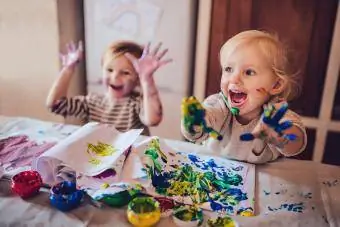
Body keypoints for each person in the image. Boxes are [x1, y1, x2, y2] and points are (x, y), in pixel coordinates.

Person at [181, 30, 307, 164]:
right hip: (211, 171)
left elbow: (296, 145)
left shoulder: (275, 114)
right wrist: (194, 122)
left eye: (249, 72)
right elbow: (201, 127)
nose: (234, 79)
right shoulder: (219, 105)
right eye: (228, 69)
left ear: (276, 85)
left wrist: (281, 136)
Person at [46, 40, 172, 135]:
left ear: (137, 79)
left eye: (125, 72)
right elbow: (55, 105)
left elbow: (153, 120)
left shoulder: (136, 104)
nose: (115, 77)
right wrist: (68, 69)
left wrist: (147, 79)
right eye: (109, 70)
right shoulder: (92, 102)